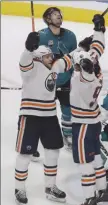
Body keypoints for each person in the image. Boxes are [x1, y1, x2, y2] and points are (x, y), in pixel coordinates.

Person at [14, 31, 73, 205]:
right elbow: (24, 60)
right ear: (39, 57)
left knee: (53, 152)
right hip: (30, 116)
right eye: (48, 56)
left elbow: (69, 59)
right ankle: (19, 188)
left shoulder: (54, 67)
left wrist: (86, 45)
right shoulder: (31, 67)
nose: (51, 58)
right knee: (25, 154)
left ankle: (50, 186)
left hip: (49, 117)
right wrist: (28, 48)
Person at [70, 14, 108, 205]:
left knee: (85, 162)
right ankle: (103, 192)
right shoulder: (94, 68)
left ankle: (89, 198)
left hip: (82, 124)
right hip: (94, 121)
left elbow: (74, 60)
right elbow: (97, 48)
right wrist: (98, 30)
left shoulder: (82, 78)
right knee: (95, 159)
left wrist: (80, 51)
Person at [32, 7, 77, 160]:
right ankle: (31, 142)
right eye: (55, 15)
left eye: (60, 14)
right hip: (47, 82)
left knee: (68, 110)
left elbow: (74, 58)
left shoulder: (70, 36)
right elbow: (33, 59)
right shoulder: (41, 36)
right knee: (40, 113)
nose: (59, 17)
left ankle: (68, 136)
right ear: (48, 19)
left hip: (65, 80)